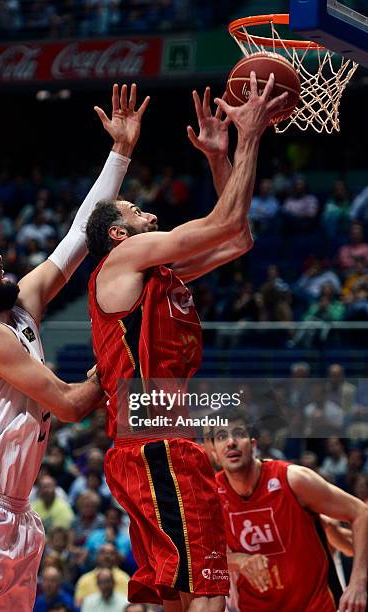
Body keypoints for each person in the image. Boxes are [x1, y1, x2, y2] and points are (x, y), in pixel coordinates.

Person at [0, 83, 148, 610]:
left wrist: (120, 152)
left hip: (19, 517)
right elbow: (67, 405)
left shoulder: (22, 307)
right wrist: (117, 357)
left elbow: (78, 238)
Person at [86, 76, 288, 611]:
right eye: (137, 213)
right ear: (119, 235)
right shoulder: (125, 260)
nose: (150, 215)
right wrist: (250, 136)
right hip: (157, 445)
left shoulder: (161, 276)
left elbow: (237, 236)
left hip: (148, 448)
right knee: (209, 589)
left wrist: (219, 158)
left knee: (173, 592)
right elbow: (223, 221)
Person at [204, 410, 368, 612]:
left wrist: (358, 583)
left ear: (253, 443)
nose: (230, 442)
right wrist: (239, 560)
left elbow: (361, 512)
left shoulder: (293, 480)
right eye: (221, 436)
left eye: (238, 433)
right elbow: (203, 557)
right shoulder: (211, 497)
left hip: (313, 606)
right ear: (213, 452)